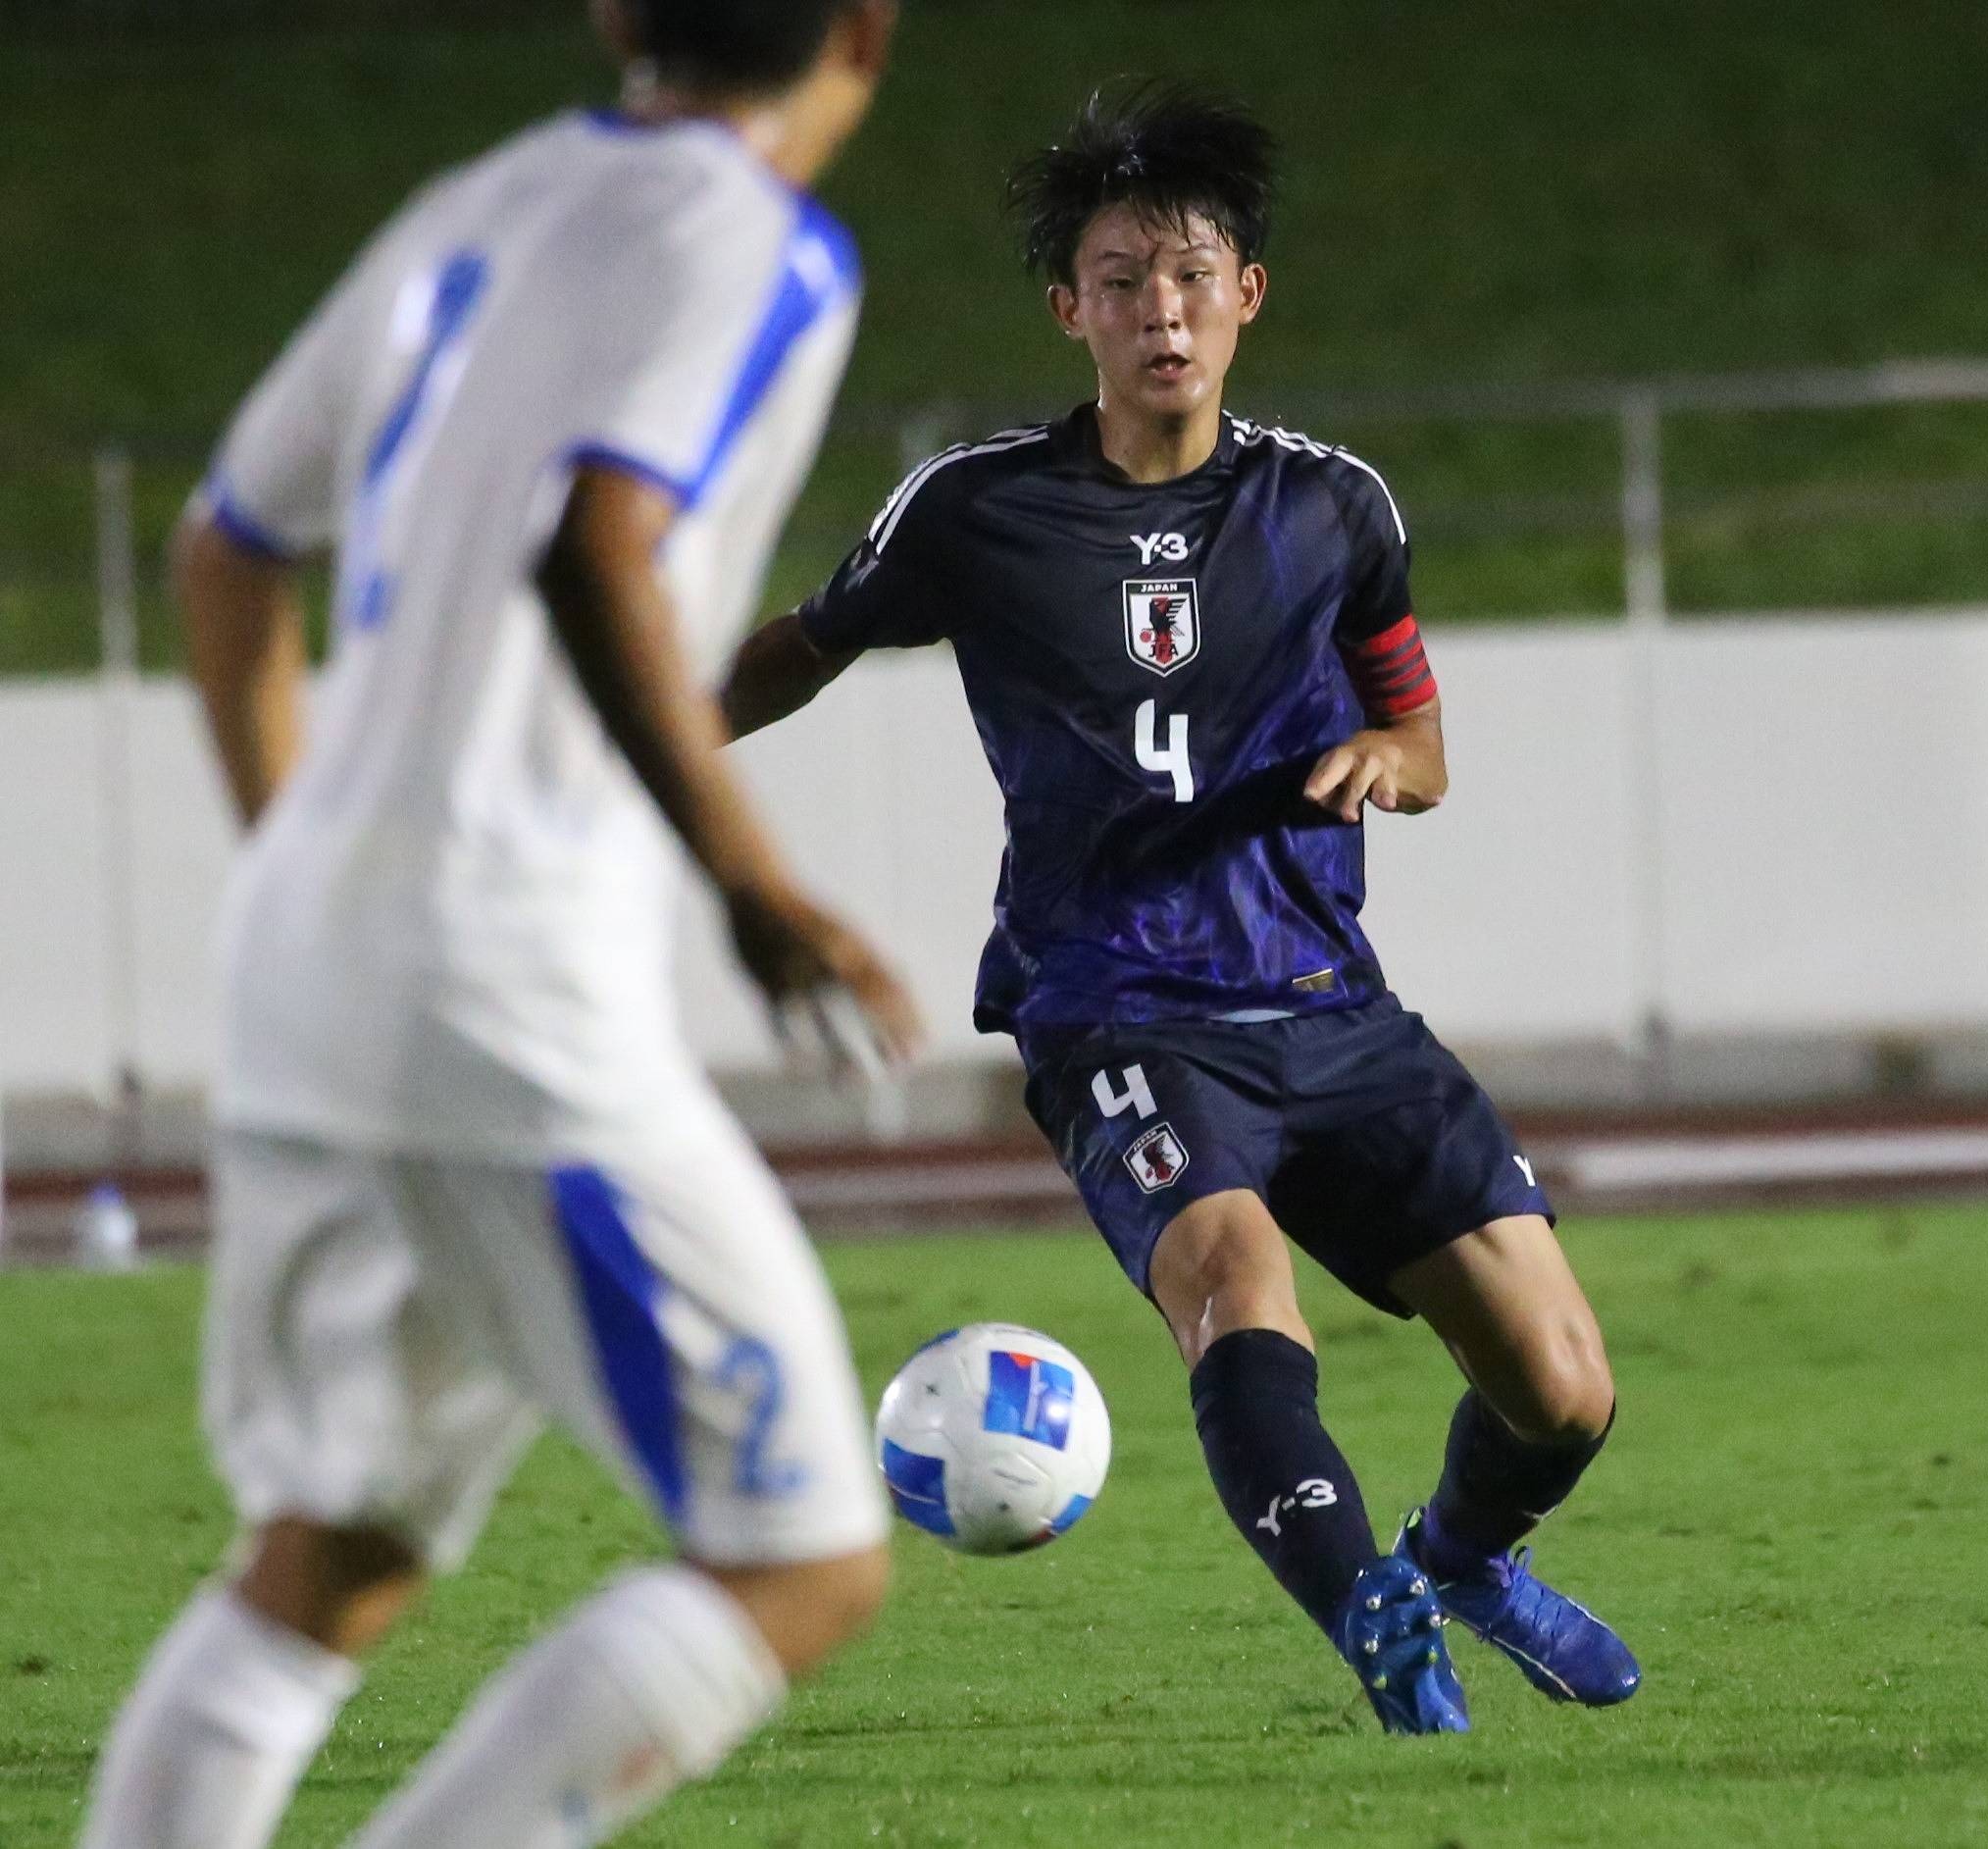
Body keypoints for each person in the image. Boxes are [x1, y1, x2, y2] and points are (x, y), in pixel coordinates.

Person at [79, 3, 920, 1843]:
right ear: (864, 31)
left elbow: (227, 547)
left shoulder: (472, 203)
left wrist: (317, 868)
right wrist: (754, 888)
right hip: (507, 989)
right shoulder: (758, 242)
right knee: (804, 1560)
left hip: (314, 958)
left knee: (332, 1557)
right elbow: (595, 537)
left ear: (617, 15)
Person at [721, 82, 1637, 1735]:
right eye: (1126, 279)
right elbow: (803, 645)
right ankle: (1362, 1604)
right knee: (1231, 1279)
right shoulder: (974, 509)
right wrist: (622, 737)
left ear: (1248, 298)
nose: (1163, 310)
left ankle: (1458, 1559)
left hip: (1328, 999)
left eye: (1194, 275)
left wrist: (1386, 758)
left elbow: (1423, 742)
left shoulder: (1332, 508)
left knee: (1564, 1391)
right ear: (1067, 307)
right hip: (1116, 1006)